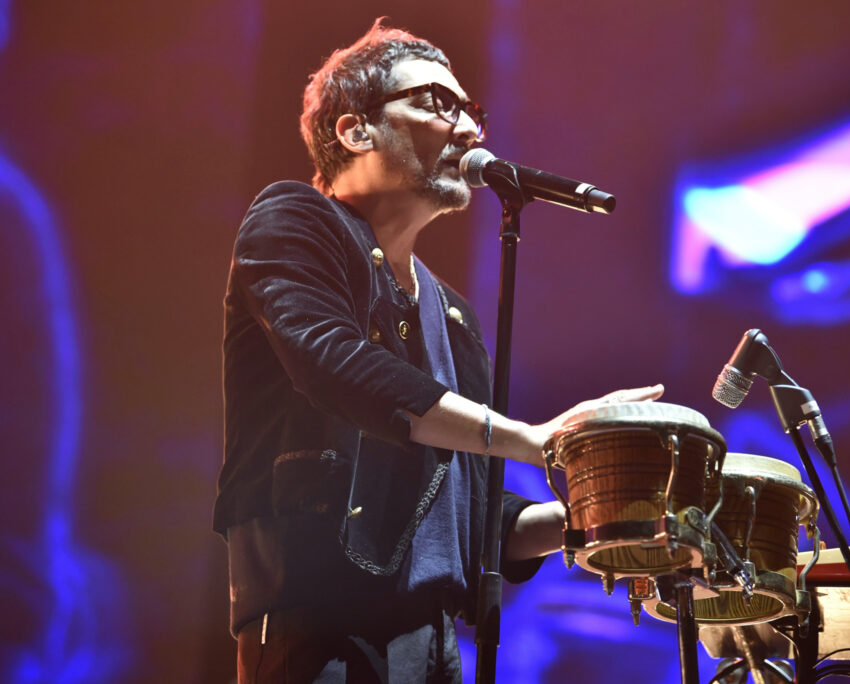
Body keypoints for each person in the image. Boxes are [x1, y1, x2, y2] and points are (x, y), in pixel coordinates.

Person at [213, 18, 662, 683]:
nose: (470, 129)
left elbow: (478, 518)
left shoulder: (452, 316)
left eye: (471, 110)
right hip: (318, 625)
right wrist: (531, 439)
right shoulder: (292, 220)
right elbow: (333, 362)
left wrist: (598, 518)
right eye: (437, 103)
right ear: (355, 130)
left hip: (433, 643)